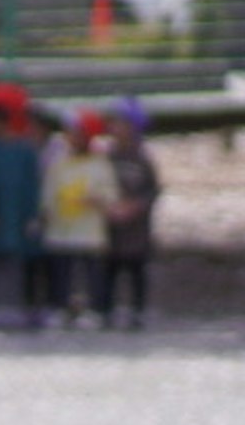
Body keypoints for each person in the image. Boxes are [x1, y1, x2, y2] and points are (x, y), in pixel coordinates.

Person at [0, 83, 46, 329]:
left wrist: (32, 215)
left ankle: (13, 305)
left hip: (16, 217)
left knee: (14, 262)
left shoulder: (24, 151)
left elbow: (31, 187)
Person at [40, 108, 118, 329]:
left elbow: (110, 193)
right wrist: (46, 211)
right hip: (61, 228)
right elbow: (49, 190)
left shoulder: (99, 164)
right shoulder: (59, 163)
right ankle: (59, 306)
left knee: (91, 274)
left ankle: (95, 309)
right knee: (61, 272)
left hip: (89, 231)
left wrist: (96, 199)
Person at [103, 98, 163, 329]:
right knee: (110, 270)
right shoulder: (108, 156)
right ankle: (106, 309)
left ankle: (138, 310)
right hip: (111, 227)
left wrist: (136, 206)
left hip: (137, 229)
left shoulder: (142, 158)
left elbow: (153, 189)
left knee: (137, 270)